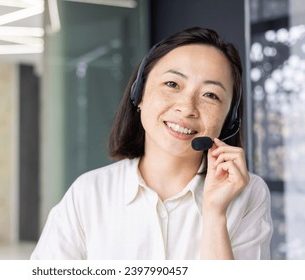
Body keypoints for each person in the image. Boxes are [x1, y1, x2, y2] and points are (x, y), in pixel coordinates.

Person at [31, 27, 273, 260]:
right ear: (139, 95)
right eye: (172, 84)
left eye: (210, 95)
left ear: (229, 119)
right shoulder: (89, 193)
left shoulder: (249, 194)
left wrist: (215, 215)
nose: (187, 107)